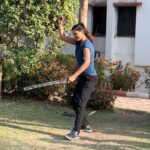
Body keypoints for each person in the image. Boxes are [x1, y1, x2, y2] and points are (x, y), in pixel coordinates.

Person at [58, 16, 98, 140]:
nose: (74, 36)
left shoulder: (87, 45)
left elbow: (86, 63)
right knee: (75, 101)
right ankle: (86, 125)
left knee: (80, 103)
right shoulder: (78, 42)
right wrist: (60, 24)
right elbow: (63, 37)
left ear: (82, 32)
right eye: (73, 34)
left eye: (76, 34)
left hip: (90, 78)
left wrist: (74, 76)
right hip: (83, 77)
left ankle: (76, 132)